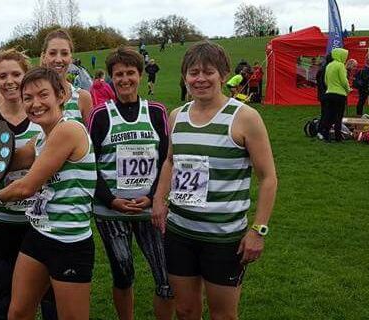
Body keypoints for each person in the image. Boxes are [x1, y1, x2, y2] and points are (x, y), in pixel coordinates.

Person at [150, 40, 277, 320]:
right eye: (193, 72)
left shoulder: (245, 118)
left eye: (208, 72)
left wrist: (258, 230)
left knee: (223, 316)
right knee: (185, 311)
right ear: (185, 76)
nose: (200, 79)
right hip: (180, 233)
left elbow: (268, 178)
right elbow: (170, 160)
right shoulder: (177, 116)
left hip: (223, 239)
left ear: (223, 74)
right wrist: (158, 198)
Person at [0, 67, 96, 320]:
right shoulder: (41, 138)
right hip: (39, 233)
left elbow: (26, 186)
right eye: (27, 98)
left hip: (69, 242)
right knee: (18, 312)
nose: (35, 103)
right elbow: (6, 163)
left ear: (61, 95)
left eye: (43, 95)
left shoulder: (69, 130)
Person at [0, 49, 59, 320]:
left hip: (40, 222)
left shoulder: (43, 116)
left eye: (16, 74)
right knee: (3, 294)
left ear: (26, 76)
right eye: (2, 76)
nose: (9, 81)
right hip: (1, 222)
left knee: (49, 295)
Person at [88, 46, 173, 320]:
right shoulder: (100, 115)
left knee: (166, 277)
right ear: (111, 78)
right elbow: (88, 165)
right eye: (118, 74)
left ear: (140, 75)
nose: (125, 79)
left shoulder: (157, 111)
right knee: (123, 274)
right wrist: (111, 200)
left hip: (151, 209)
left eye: (130, 73)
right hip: (111, 211)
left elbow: (167, 160)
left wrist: (154, 196)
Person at [40, 29, 92, 124]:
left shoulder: (83, 98)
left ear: (71, 58)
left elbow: (89, 133)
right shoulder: (32, 99)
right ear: (44, 57)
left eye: (64, 53)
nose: (58, 60)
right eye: (52, 53)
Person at [320, 48, 351, 142]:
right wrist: (348, 89)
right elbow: (344, 80)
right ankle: (338, 137)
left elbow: (325, 80)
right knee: (338, 117)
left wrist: (330, 87)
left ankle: (325, 135)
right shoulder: (340, 65)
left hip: (329, 93)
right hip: (339, 95)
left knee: (329, 115)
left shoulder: (329, 65)